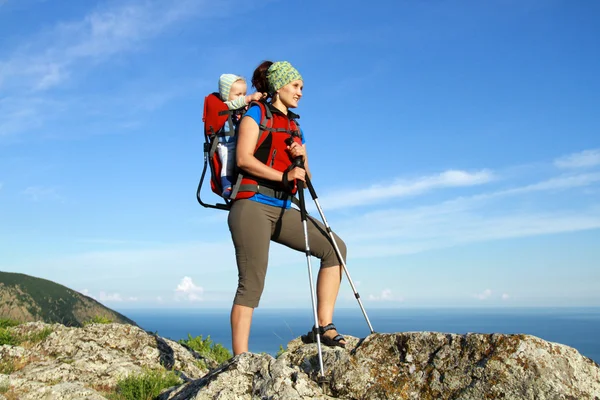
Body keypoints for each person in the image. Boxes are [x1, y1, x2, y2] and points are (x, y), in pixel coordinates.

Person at [227, 60, 348, 355]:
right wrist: (283, 175)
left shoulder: (295, 126)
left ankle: (324, 326)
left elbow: (305, 180)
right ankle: (240, 359)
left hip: (282, 207)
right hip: (251, 205)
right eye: (296, 86)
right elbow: (243, 159)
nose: (301, 92)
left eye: (302, 87)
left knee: (335, 249)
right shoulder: (254, 114)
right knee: (252, 282)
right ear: (279, 86)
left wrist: (301, 157)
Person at [216, 74, 264, 197]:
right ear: (226, 96)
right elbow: (232, 105)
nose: (242, 97)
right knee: (228, 161)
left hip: (237, 140)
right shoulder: (225, 105)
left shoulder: (242, 106)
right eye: (238, 95)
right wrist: (248, 98)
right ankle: (226, 185)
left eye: (244, 93)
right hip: (226, 143)